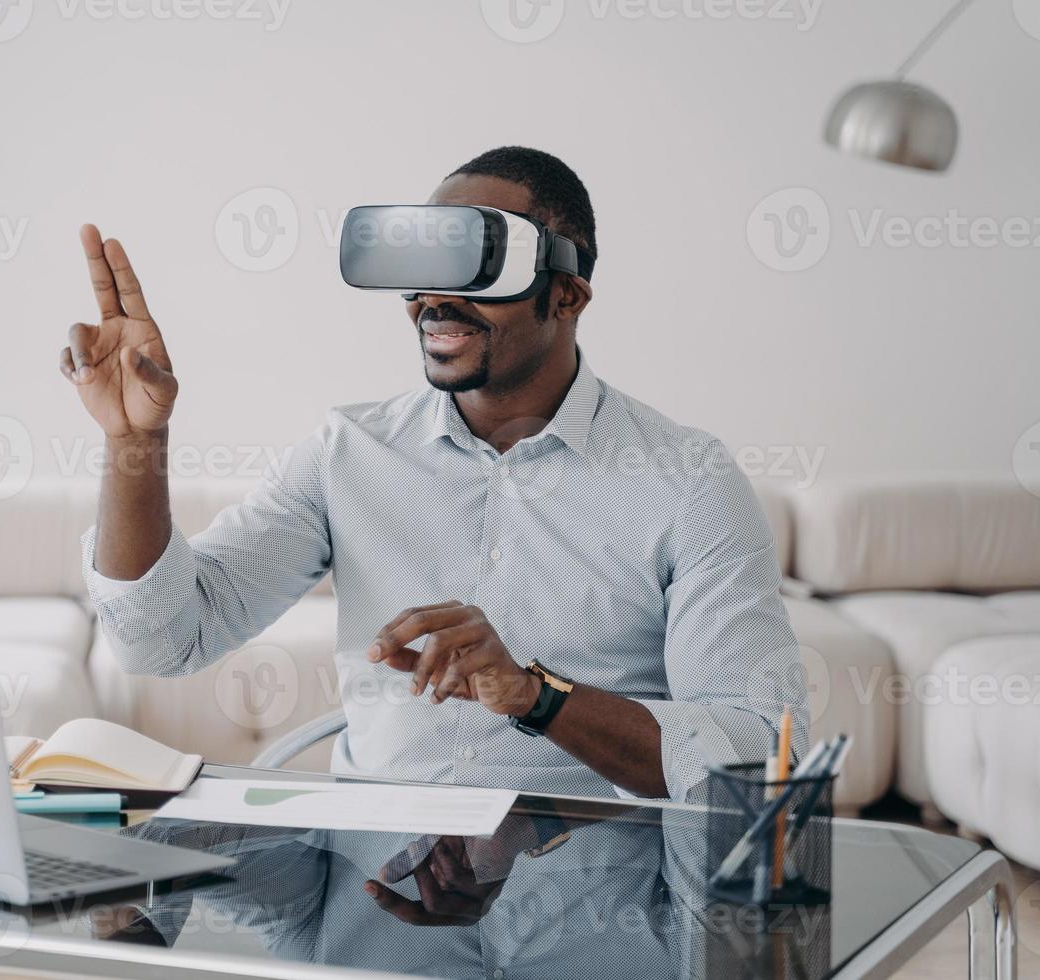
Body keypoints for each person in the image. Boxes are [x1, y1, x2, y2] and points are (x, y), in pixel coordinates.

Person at [58, 145, 808, 801]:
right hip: (372, 877)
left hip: (591, 877)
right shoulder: (345, 453)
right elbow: (162, 640)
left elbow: (758, 752)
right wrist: (135, 440)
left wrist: (535, 695)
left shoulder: (689, 483)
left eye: (477, 267)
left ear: (568, 294)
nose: (433, 301)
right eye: (419, 270)